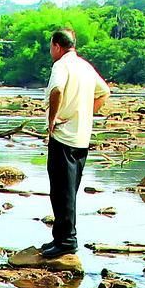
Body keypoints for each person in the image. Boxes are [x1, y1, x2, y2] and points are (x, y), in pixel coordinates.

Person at [40, 28, 111, 260]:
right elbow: (104, 92)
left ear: (57, 46)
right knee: (69, 190)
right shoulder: (85, 66)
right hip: (81, 137)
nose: (51, 51)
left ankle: (67, 241)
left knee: (61, 192)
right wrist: (85, 114)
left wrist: (52, 120)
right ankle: (60, 238)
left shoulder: (61, 65)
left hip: (63, 137)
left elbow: (57, 89)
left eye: (51, 47)